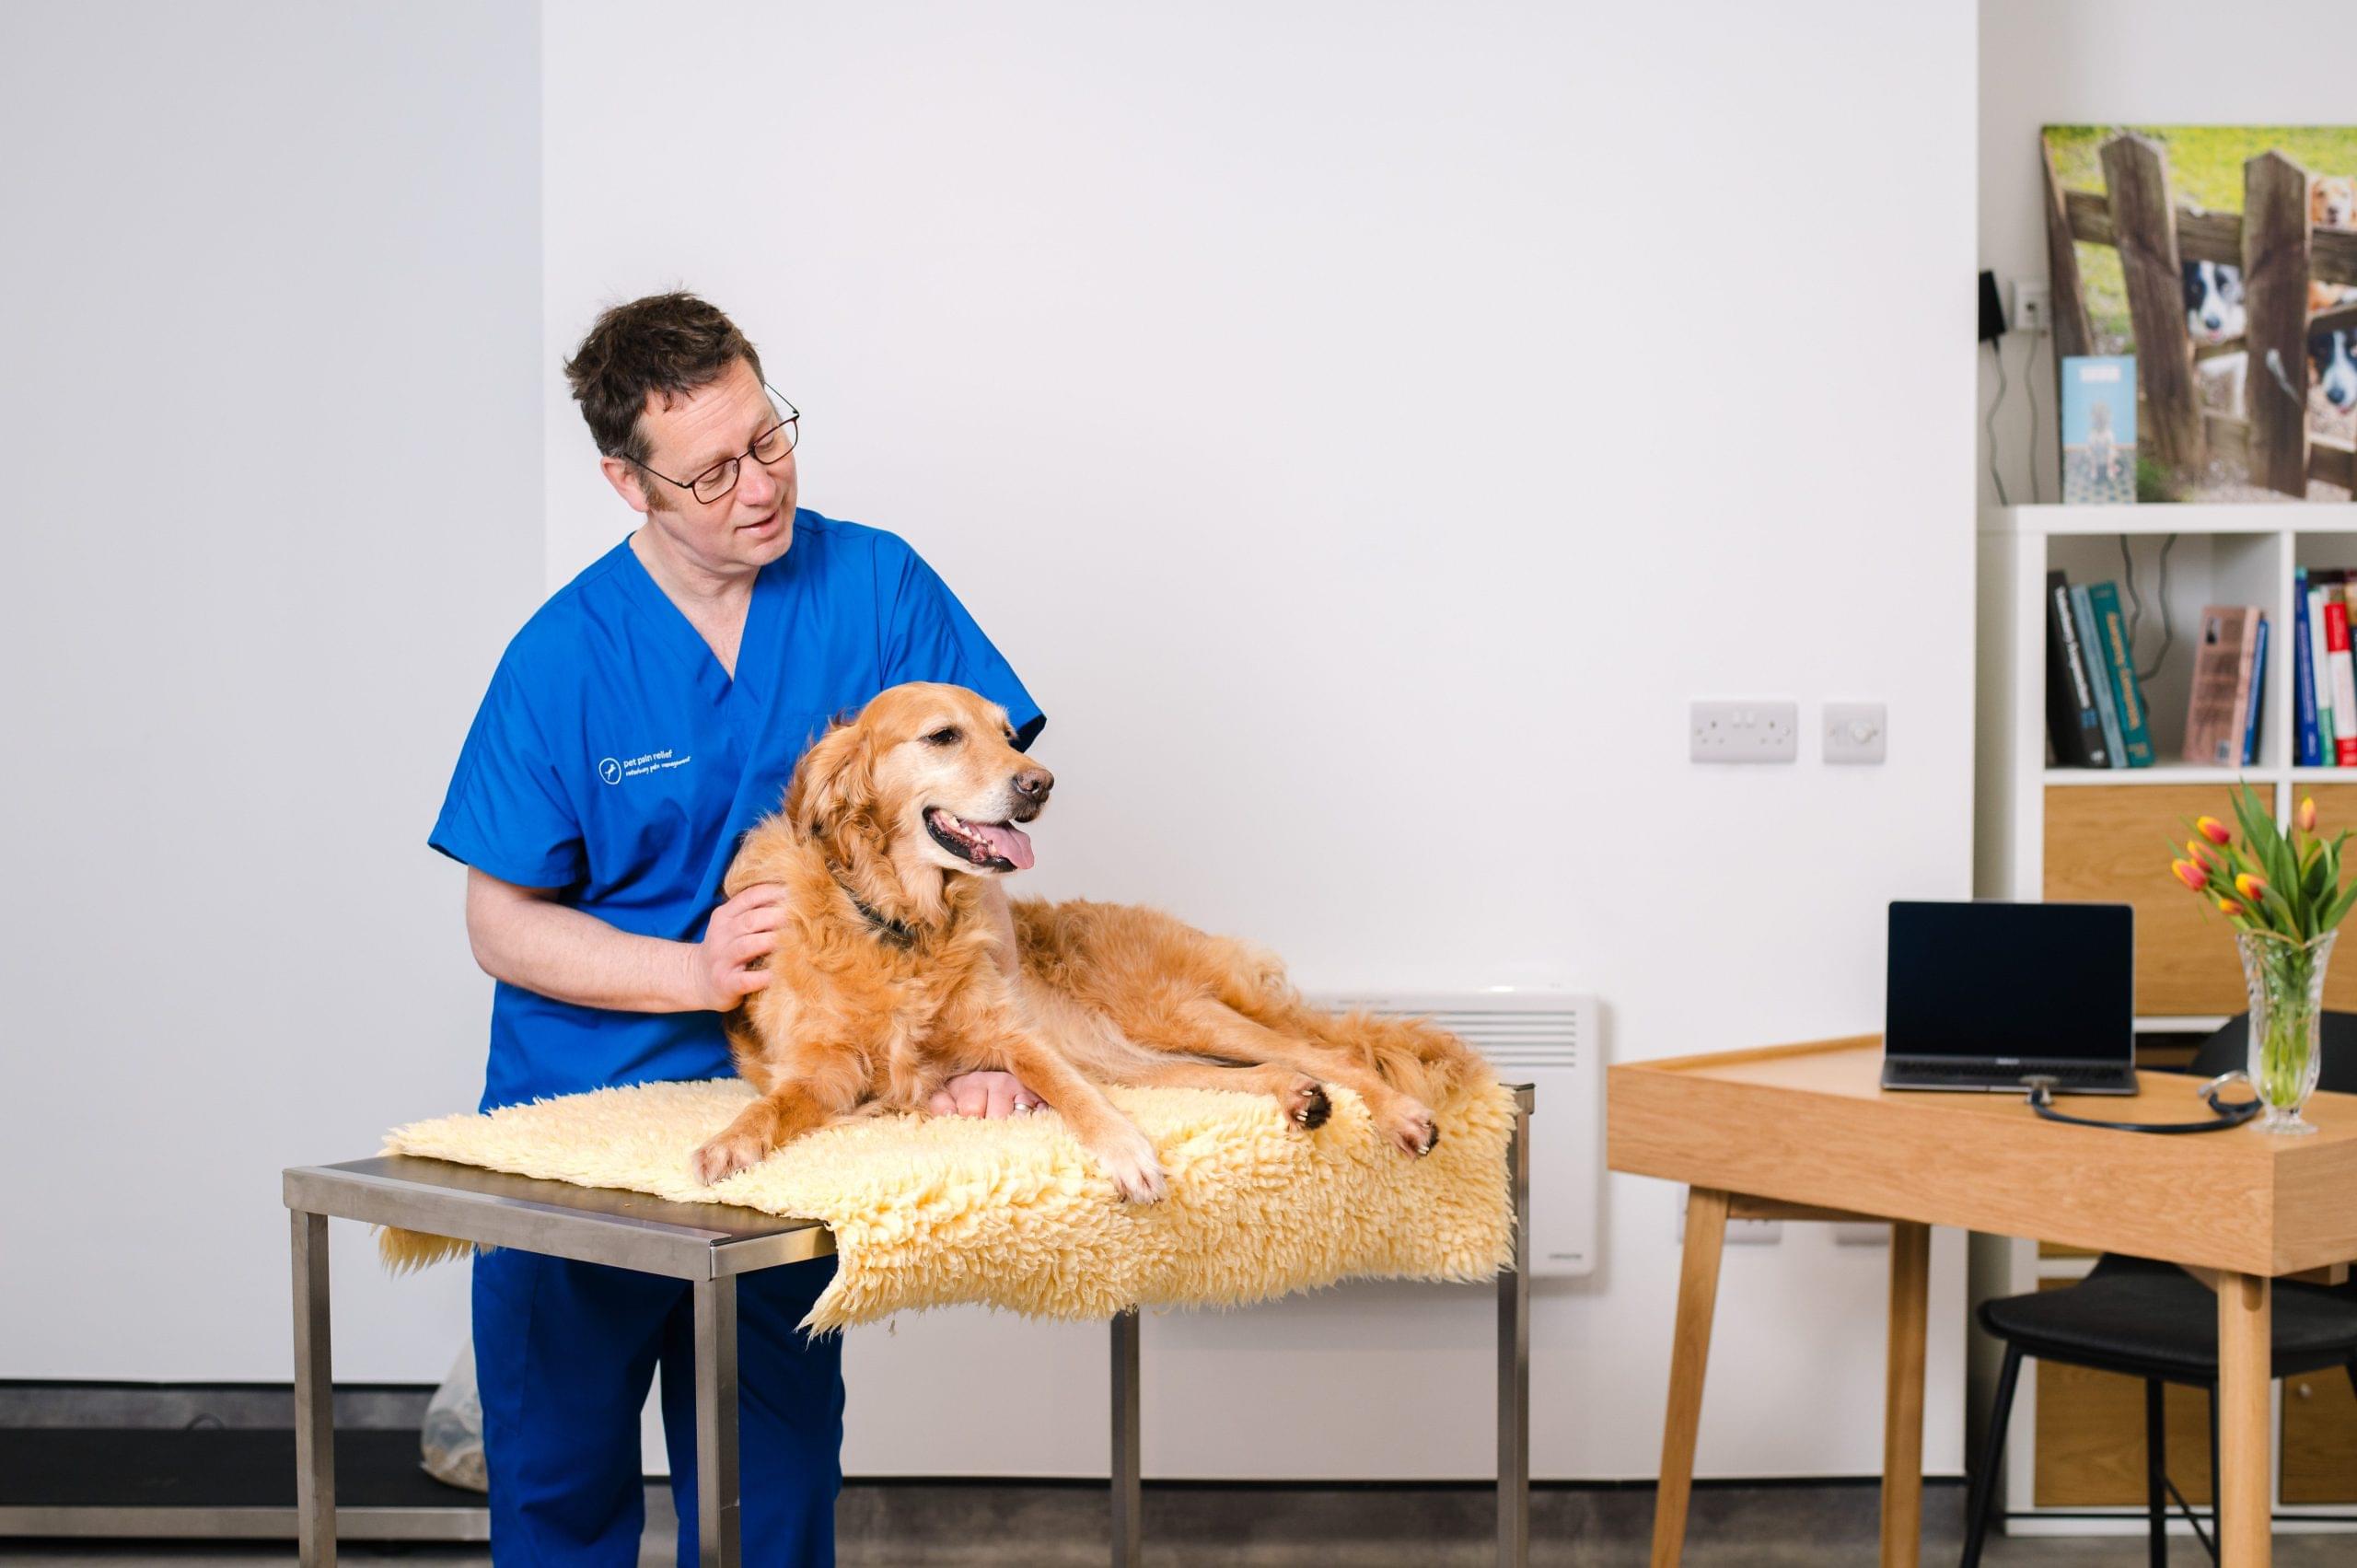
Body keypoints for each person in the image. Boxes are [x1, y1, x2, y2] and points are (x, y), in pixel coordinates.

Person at [429, 293, 1044, 1565]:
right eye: (711, 472)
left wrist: (981, 1042)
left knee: (774, 1492)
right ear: (625, 480)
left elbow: (975, 834)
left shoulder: (875, 588)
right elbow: (500, 924)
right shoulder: (564, 659)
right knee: (559, 1494)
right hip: (584, 1116)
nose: (758, 487)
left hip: (795, 1113)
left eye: (769, 440)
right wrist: (690, 969)